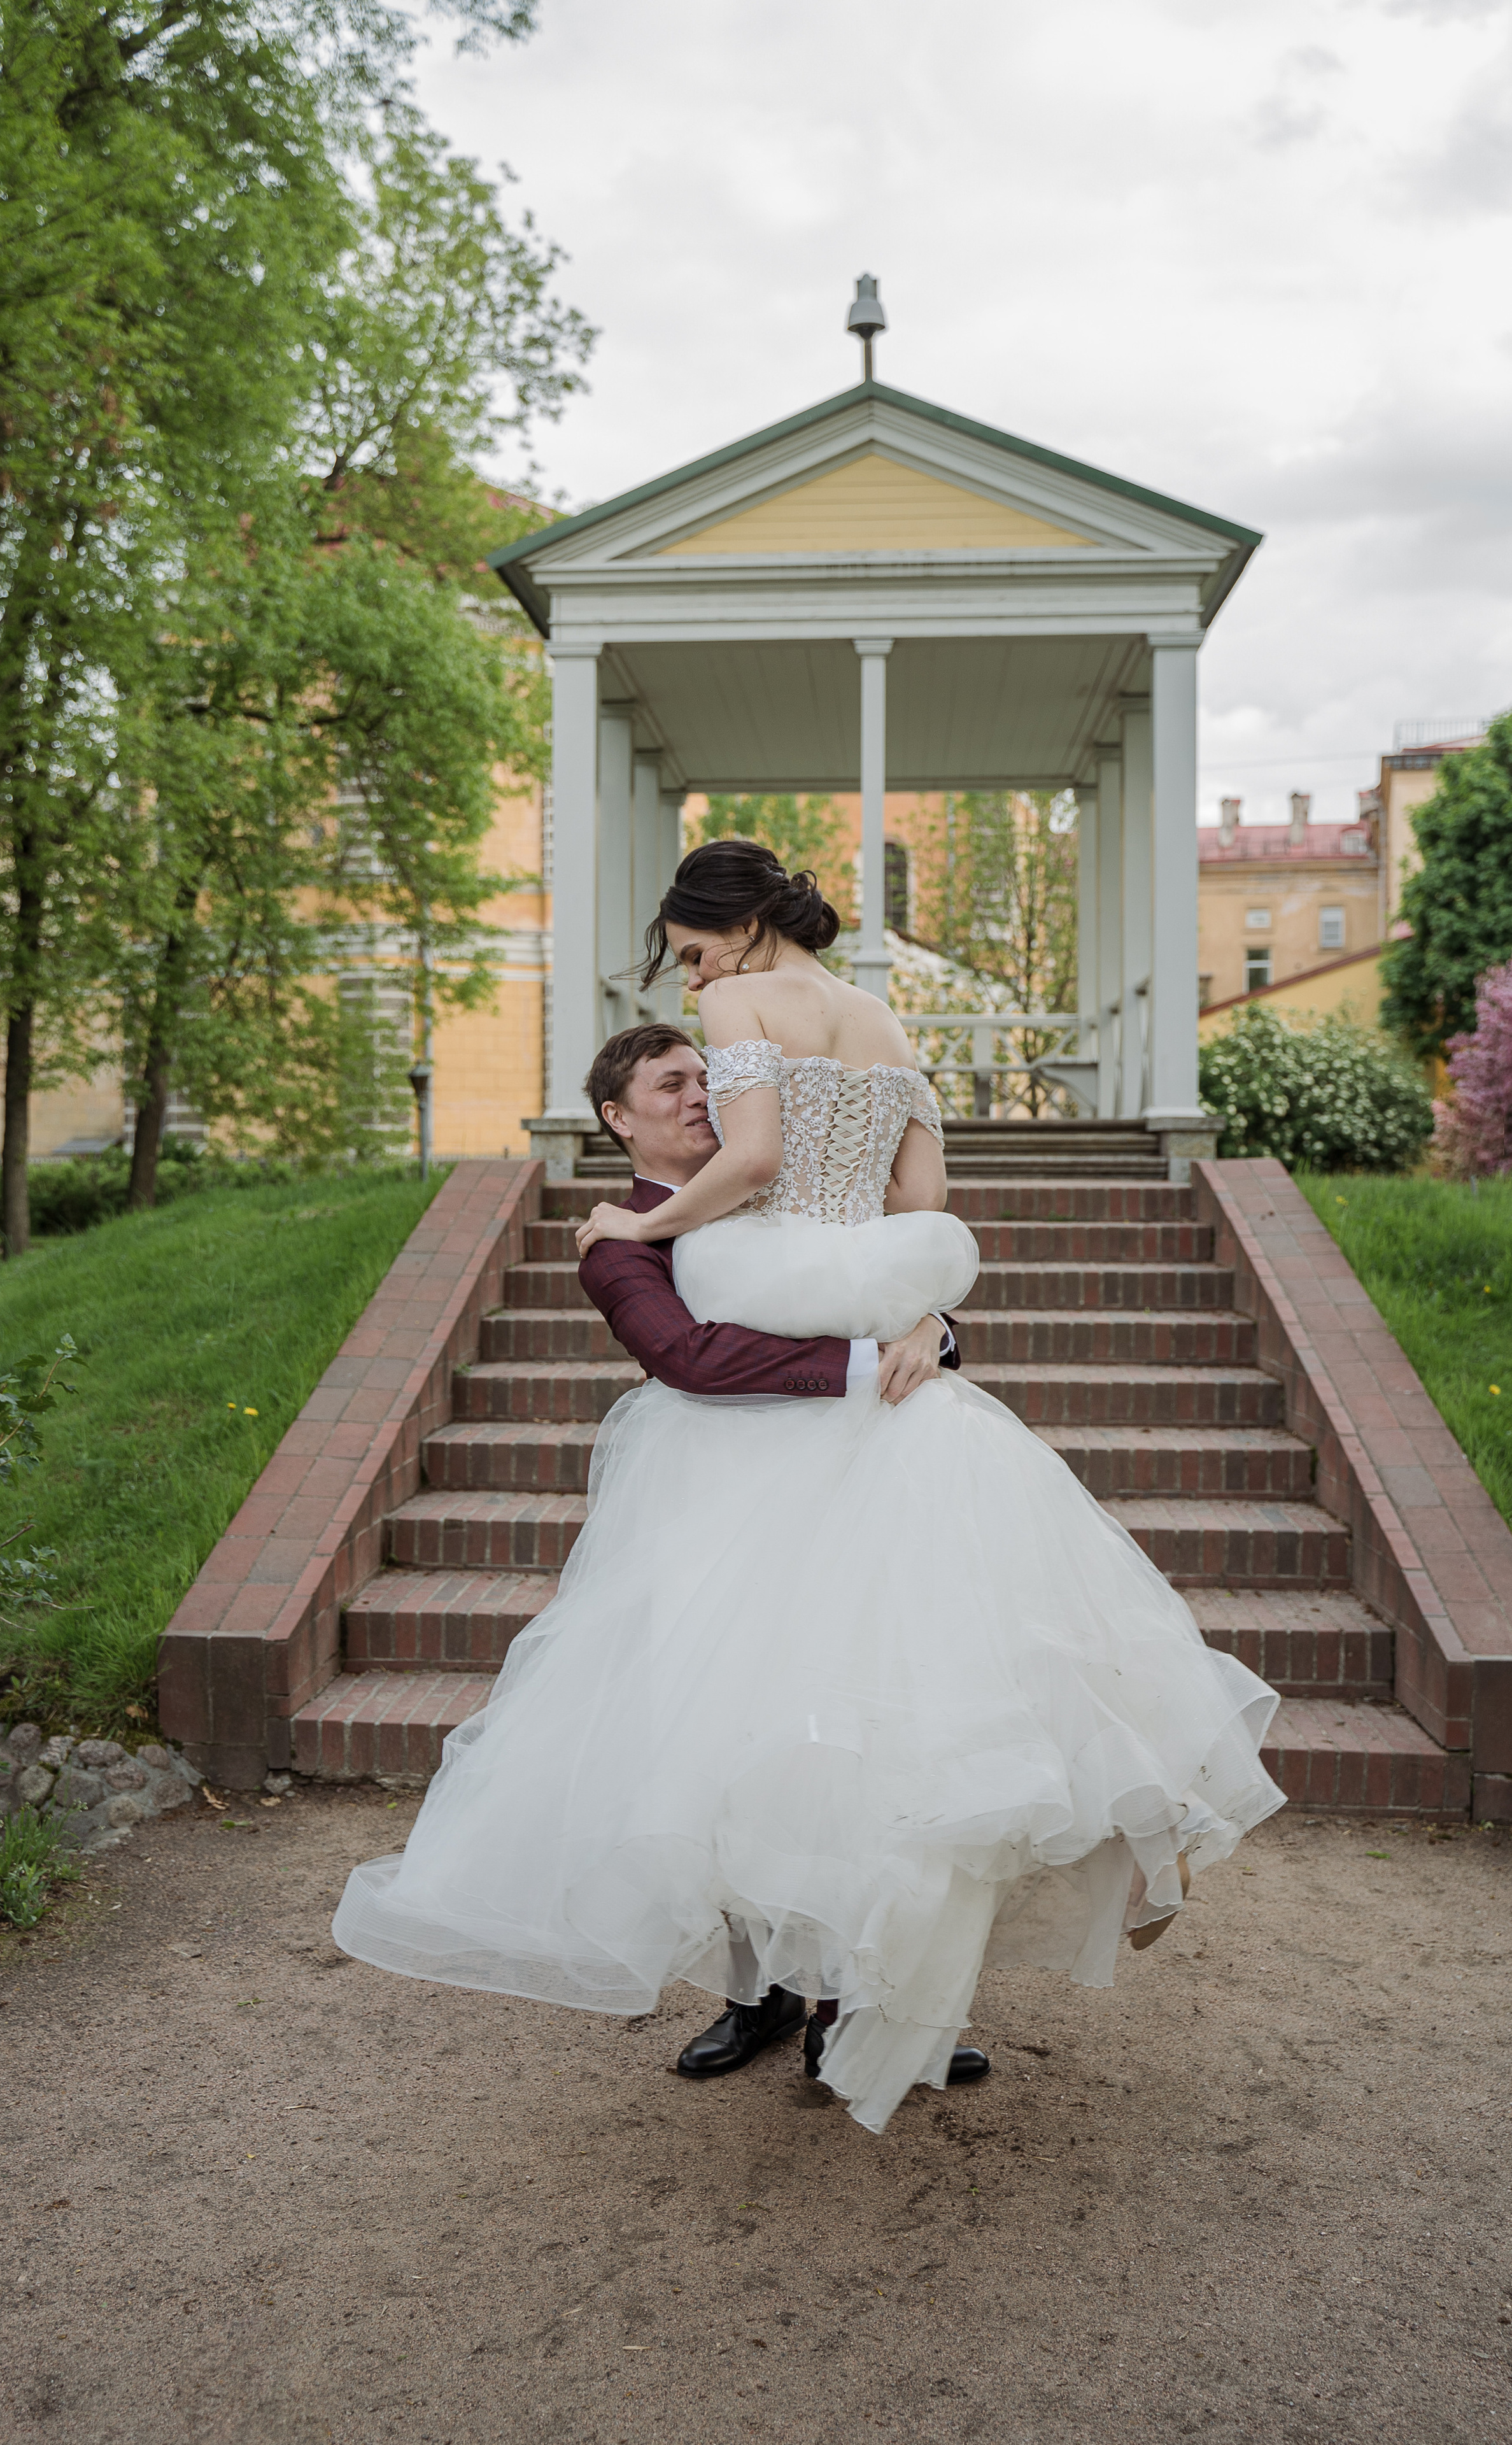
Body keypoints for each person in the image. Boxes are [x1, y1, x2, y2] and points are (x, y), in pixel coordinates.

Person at [332, 840, 1284, 2136]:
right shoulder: (880, 1018)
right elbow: (907, 1211)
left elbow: (759, 1157)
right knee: (766, 1714)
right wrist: (906, 1310)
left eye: (689, 952)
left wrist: (652, 1228)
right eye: (674, 1055)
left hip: (826, 1444)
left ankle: (880, 1990)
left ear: (728, 925)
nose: (694, 985)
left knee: (859, 1718)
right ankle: (763, 1988)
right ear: (617, 1119)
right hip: (802, 1439)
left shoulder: (732, 1029)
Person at [569, 1017, 984, 2088]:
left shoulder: (778, 1196)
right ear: (618, 1118)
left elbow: (881, 1283)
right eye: (672, 1085)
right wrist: (861, 1362)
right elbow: (685, 1355)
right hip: (712, 1510)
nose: (701, 1096)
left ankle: (856, 2004)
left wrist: (927, 1333)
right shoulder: (622, 1236)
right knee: (729, 1739)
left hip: (842, 1500)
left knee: (842, 1734)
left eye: (707, 1077)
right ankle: (755, 1995)